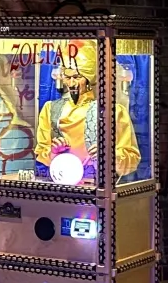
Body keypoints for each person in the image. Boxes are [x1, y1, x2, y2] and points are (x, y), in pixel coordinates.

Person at [34, 42, 141, 180]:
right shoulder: (50, 110)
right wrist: (54, 152)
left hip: (97, 184)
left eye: (77, 77)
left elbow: (132, 159)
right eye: (67, 77)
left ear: (89, 79)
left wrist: (109, 155)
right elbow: (41, 152)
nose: (71, 84)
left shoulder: (113, 112)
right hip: (62, 181)